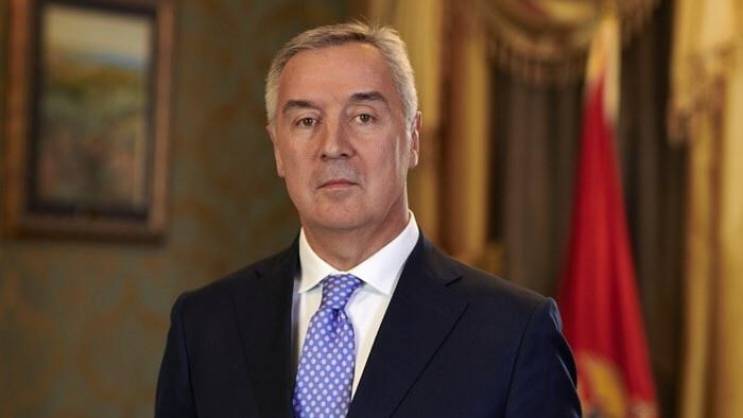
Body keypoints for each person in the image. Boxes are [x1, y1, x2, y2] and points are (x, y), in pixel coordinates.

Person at [155, 22, 581, 418]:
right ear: (278, 150)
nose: (333, 146)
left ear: (412, 138)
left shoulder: (515, 332)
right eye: (306, 121)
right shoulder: (203, 326)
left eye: (363, 117)